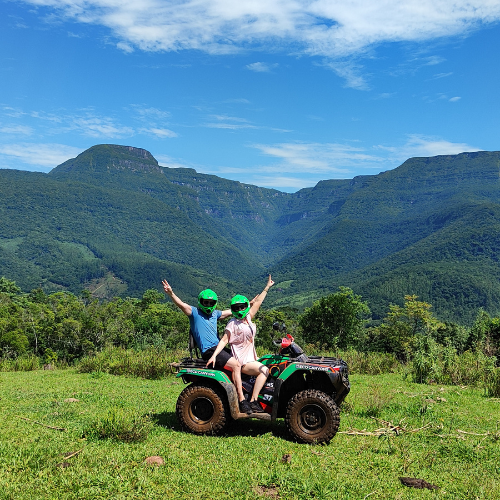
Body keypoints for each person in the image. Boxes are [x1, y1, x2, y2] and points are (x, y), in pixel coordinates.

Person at [161, 280, 252, 414]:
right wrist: (171, 293)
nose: (208, 305)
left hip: (219, 348)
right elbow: (181, 305)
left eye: (211, 303)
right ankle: (242, 400)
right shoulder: (194, 312)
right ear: (200, 302)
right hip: (209, 351)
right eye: (205, 302)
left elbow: (233, 311)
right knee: (236, 365)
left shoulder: (215, 314)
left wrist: (251, 302)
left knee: (242, 360)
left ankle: (248, 389)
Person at [206, 275, 274, 414]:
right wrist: (214, 356)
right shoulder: (232, 323)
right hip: (242, 362)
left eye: (242, 306)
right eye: (236, 308)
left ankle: (259, 397)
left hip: (251, 358)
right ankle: (253, 401)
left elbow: (258, 303)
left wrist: (267, 288)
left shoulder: (248, 318)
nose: (239, 309)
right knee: (265, 371)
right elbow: (224, 340)